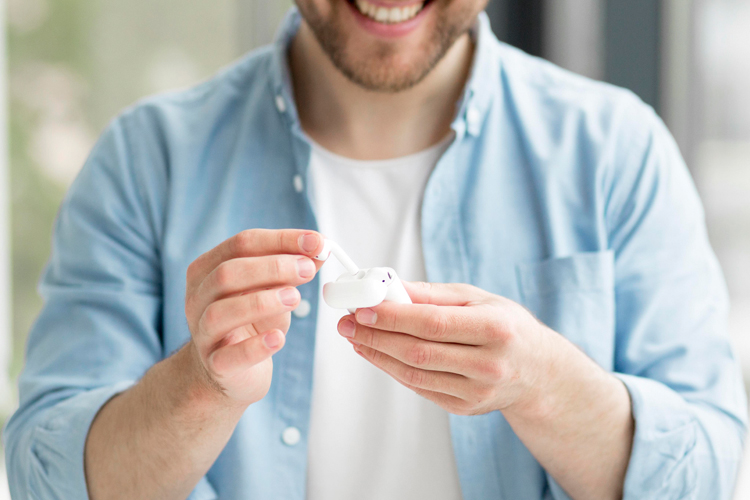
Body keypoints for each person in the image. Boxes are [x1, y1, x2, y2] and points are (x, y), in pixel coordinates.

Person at [4, 0, 747, 499]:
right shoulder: (148, 160)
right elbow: (43, 473)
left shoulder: (617, 150)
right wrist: (199, 387)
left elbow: (711, 472)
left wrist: (545, 386)